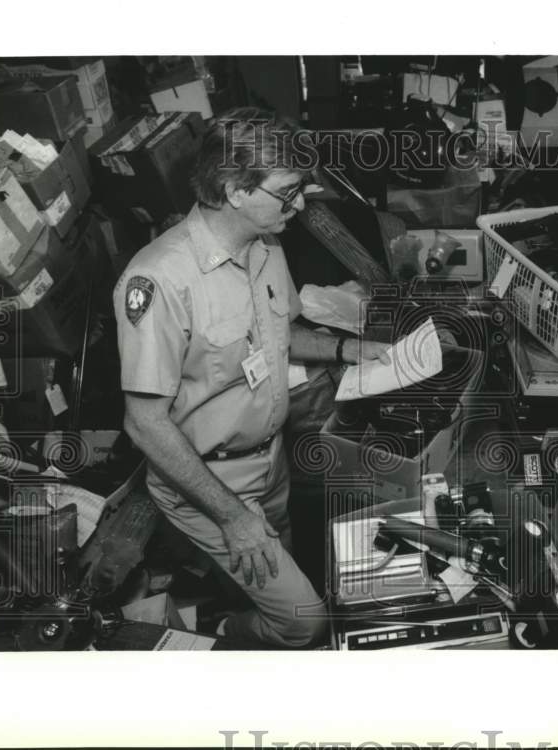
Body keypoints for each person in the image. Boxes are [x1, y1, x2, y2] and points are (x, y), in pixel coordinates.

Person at [113, 108, 390, 647]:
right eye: (288, 191)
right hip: (208, 486)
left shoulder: (265, 245)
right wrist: (233, 516)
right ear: (235, 190)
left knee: (276, 567)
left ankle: (243, 604)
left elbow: (280, 335)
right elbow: (143, 423)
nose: (302, 203)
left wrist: (348, 348)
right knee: (304, 621)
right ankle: (227, 633)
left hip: (272, 461)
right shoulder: (160, 280)